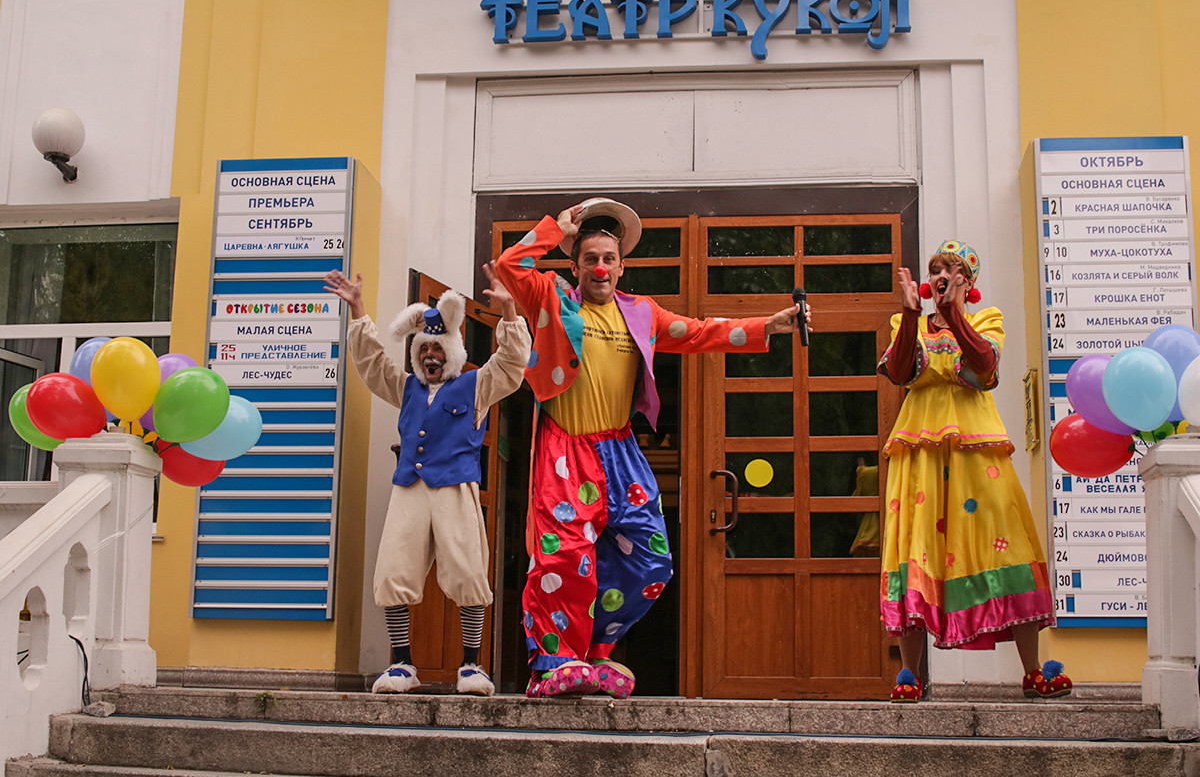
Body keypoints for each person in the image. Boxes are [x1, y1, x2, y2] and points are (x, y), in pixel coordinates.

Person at [494, 199, 809, 699]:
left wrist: (765, 327)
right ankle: (553, 662)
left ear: (622, 267)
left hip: (619, 450)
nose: (600, 267)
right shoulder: (551, 298)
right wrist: (557, 228)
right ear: (575, 266)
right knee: (564, 557)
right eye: (590, 259)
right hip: (564, 449)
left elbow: (700, 332)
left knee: (650, 559)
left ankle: (593, 649)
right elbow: (511, 266)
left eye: (609, 259)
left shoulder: (642, 312)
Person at [877, 239, 1072, 702]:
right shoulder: (907, 323)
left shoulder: (987, 319)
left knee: (1006, 541)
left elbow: (983, 368)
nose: (941, 275)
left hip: (976, 447)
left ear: (967, 280)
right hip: (922, 449)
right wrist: (910, 314)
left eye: (951, 269)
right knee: (916, 545)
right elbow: (901, 372)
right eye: (935, 269)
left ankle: (1032, 671)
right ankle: (909, 675)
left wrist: (955, 313)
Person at [323, 263, 531, 696]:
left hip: (455, 487)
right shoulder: (406, 388)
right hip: (410, 488)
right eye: (423, 350)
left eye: (437, 349)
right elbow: (372, 363)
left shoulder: (476, 385)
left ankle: (471, 665)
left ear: (451, 353)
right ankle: (402, 664)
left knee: (468, 572)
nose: (430, 356)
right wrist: (359, 310)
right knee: (393, 571)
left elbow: (511, 363)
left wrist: (510, 314)